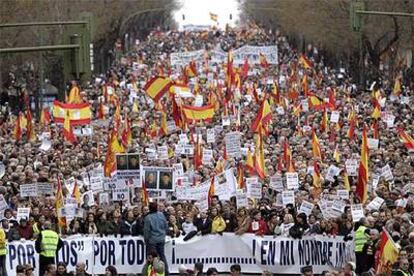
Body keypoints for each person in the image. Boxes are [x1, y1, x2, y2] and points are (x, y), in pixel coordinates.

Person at [144, 202, 169, 276]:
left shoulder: (148, 218)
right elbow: (166, 226)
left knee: (151, 258)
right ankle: (166, 273)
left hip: (152, 240)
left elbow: (146, 231)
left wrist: (146, 240)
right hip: (161, 239)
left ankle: (151, 274)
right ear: (157, 208)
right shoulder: (162, 215)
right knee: (162, 256)